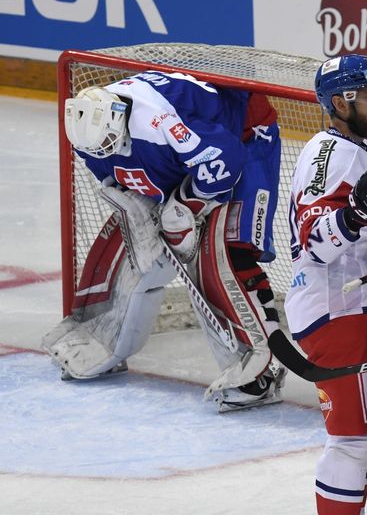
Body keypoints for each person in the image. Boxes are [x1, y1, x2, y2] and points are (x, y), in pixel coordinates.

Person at [41, 70, 286, 412]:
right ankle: (102, 335)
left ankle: (261, 372)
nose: (103, 151)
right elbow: (114, 172)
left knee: (227, 249)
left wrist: (187, 203)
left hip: (243, 134)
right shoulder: (89, 130)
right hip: (187, 153)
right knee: (131, 241)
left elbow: (225, 160)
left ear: (119, 119)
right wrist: (148, 208)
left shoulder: (159, 125)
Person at [284, 54, 367, 514]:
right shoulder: (329, 153)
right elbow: (314, 239)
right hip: (337, 310)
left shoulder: (358, 149)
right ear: (339, 101)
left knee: (360, 438)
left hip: (358, 307)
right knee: (351, 442)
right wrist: (354, 214)